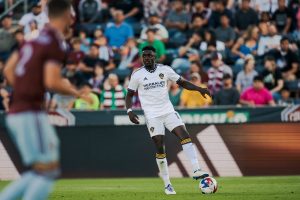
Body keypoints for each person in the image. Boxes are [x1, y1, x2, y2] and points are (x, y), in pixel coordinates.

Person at [0, 1, 88, 200]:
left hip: (18, 110)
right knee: (48, 172)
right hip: (30, 112)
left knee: (38, 171)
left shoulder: (33, 37)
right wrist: (75, 92)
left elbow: (8, 69)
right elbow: (51, 81)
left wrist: (25, 88)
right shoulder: (55, 41)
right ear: (67, 15)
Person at [125, 46, 211, 195]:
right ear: (141, 58)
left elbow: (182, 82)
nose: (147, 58)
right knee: (160, 146)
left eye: (150, 55)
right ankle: (167, 184)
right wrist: (129, 111)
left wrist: (199, 89)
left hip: (168, 111)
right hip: (152, 115)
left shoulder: (165, 69)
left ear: (155, 56)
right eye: (144, 56)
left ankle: (196, 169)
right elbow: (129, 95)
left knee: (184, 135)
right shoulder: (137, 74)